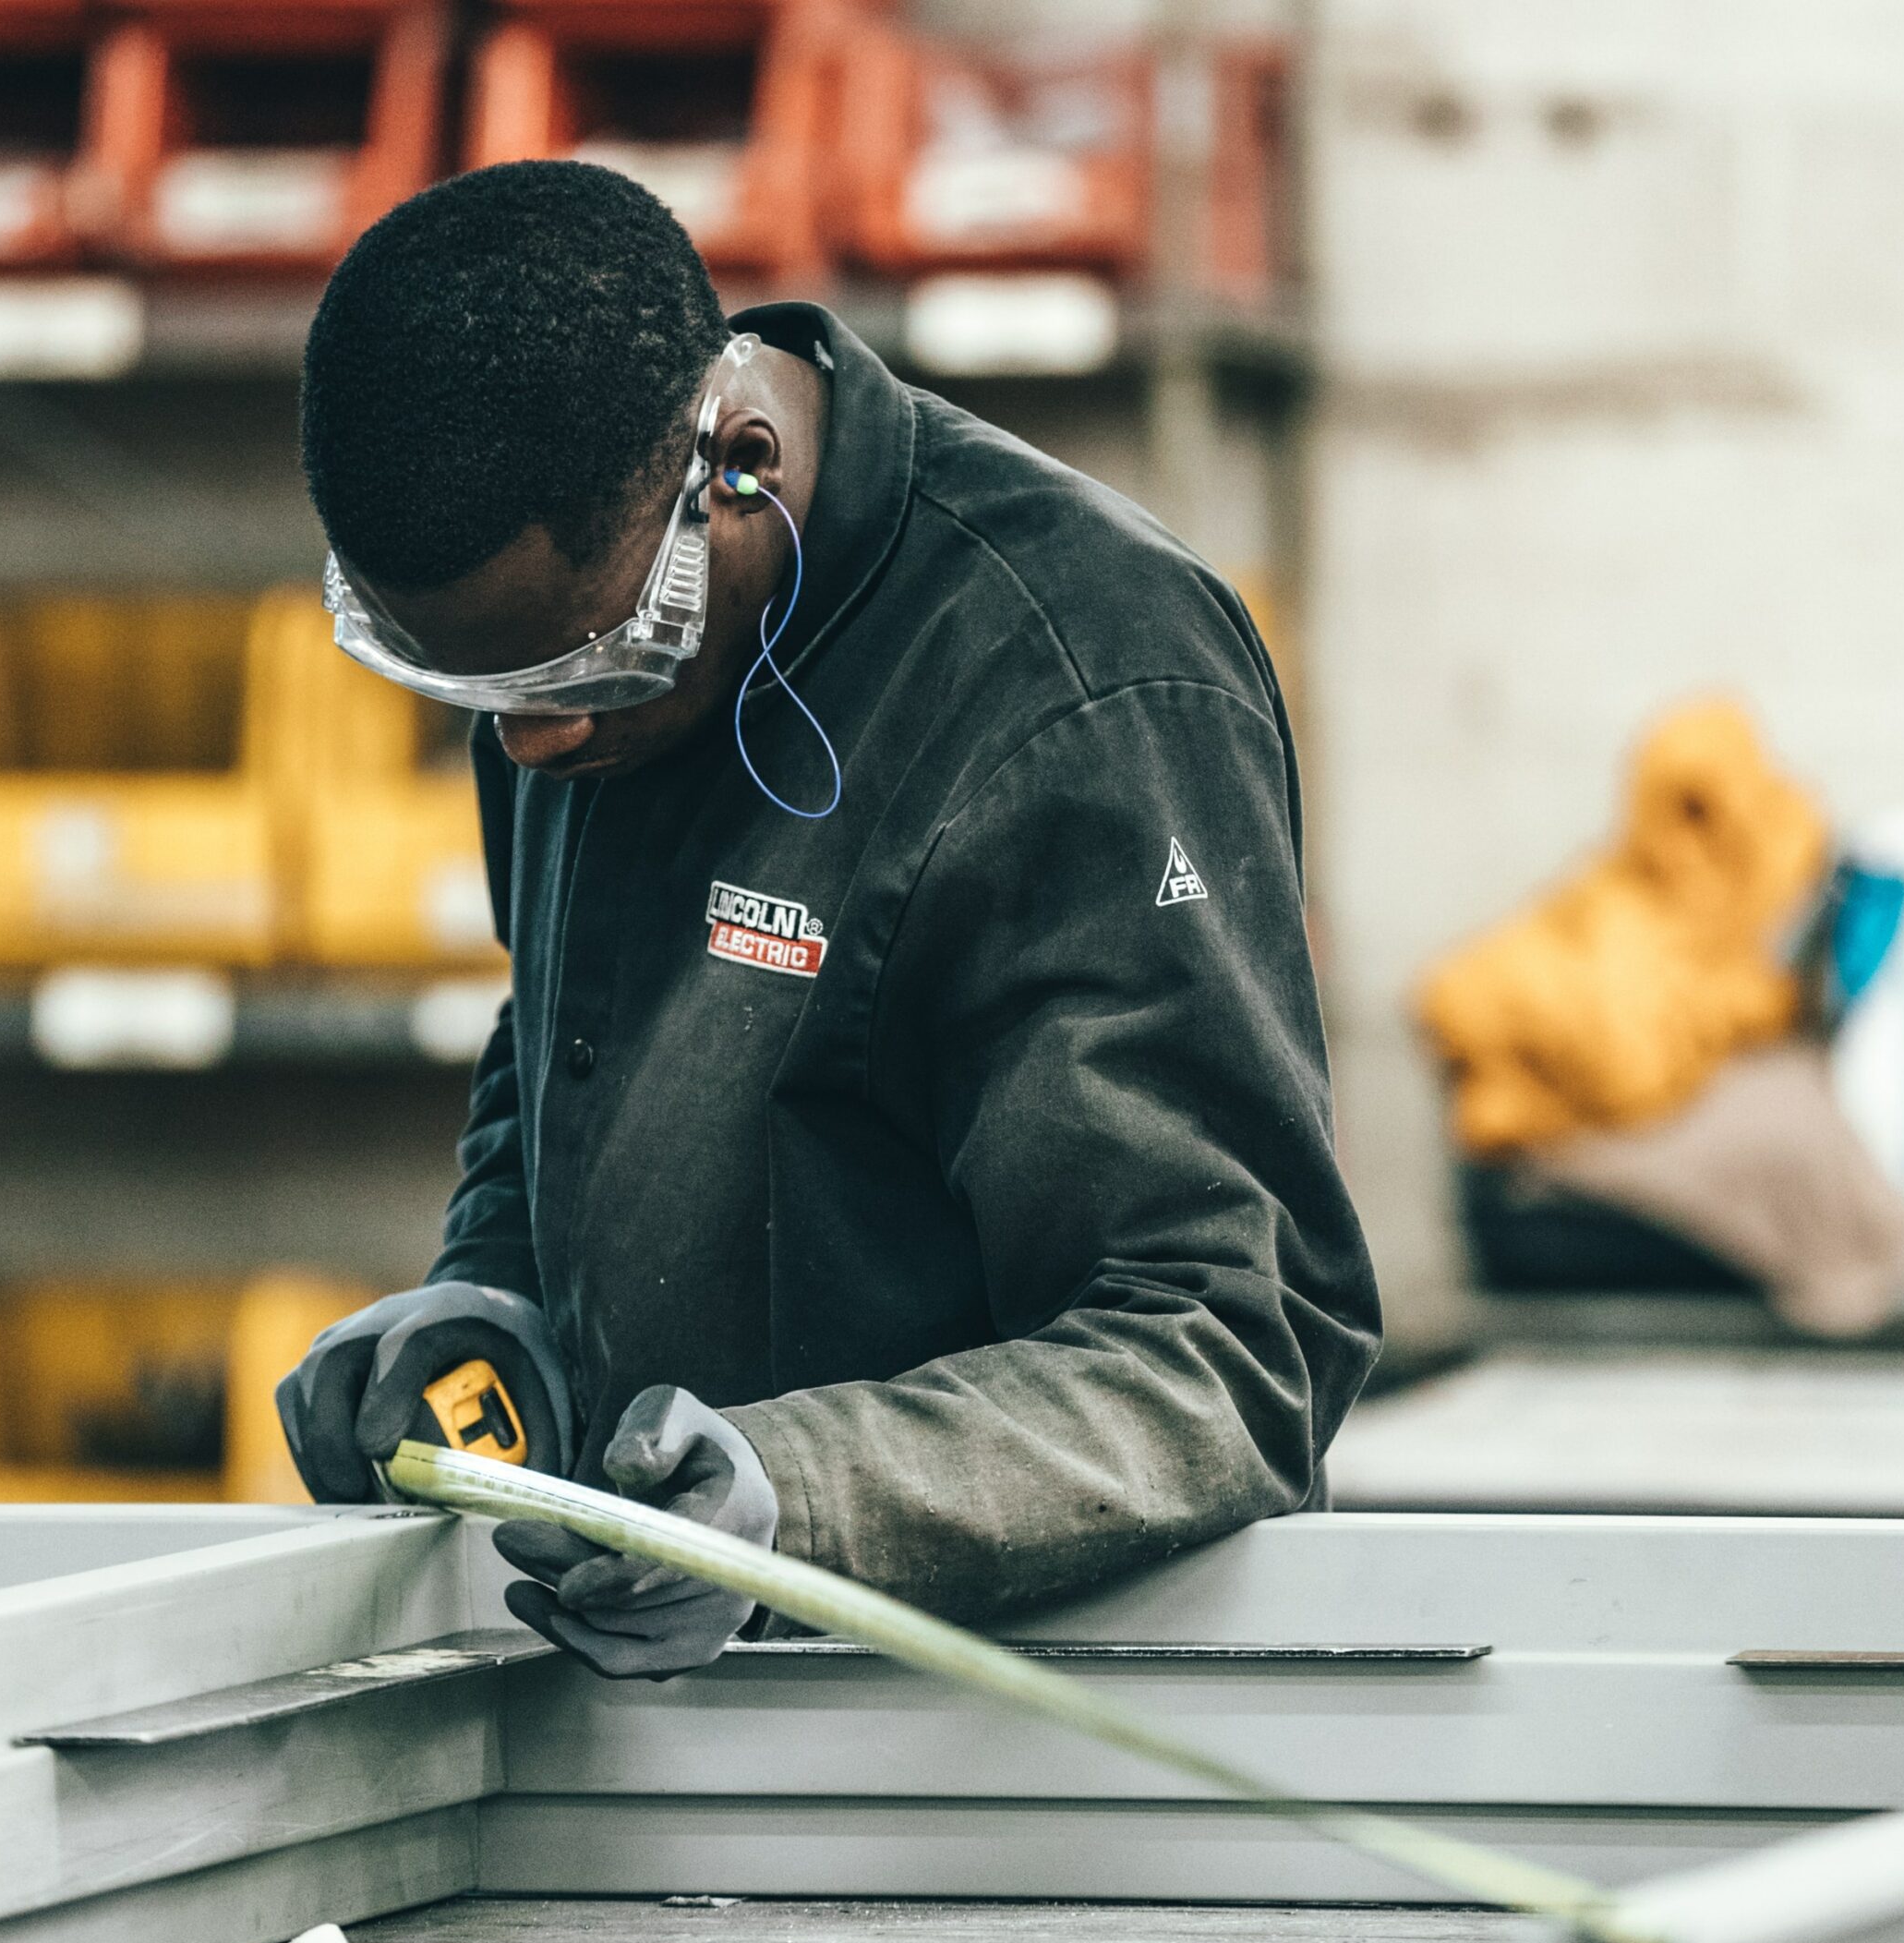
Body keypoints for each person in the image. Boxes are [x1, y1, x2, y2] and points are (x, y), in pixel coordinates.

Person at [278, 159, 1379, 1679]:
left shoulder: (1081, 688)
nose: (532, 750)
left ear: (734, 464)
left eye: (585, 679)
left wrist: (808, 1503)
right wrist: (496, 1304)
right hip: (678, 1718)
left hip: (1013, 1752)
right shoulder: (573, 641)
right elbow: (570, 1029)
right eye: (488, 700)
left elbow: (1225, 1351)